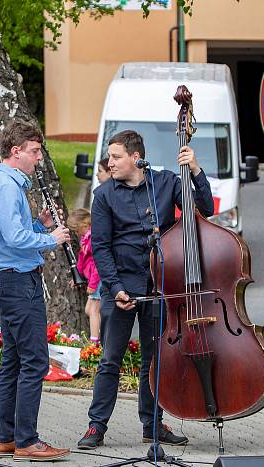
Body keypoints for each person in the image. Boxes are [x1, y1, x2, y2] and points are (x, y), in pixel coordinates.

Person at [77, 130, 214, 450]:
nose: (109, 162)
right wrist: (116, 288)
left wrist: (195, 170)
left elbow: (204, 209)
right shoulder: (105, 194)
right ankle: (96, 425)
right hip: (120, 287)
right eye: (109, 157)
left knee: (155, 360)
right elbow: (101, 247)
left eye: (115, 156)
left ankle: (152, 424)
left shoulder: (166, 183)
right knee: (110, 359)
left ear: (136, 158)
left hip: (159, 286)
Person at [0, 119, 71, 461]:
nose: (39, 159)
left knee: (14, 360)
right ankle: (27, 440)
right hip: (17, 281)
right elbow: (15, 240)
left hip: (13, 278)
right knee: (35, 360)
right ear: (15, 151)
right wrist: (52, 238)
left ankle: (6, 437)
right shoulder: (6, 186)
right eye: (34, 152)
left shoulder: (8, 183)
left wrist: (41, 225)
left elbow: (17, 231)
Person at [68, 208, 101, 343]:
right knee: (89, 310)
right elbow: (82, 259)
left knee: (93, 310)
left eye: (76, 230)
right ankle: (102, 334)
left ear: (85, 225)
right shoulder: (85, 239)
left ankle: (94, 343)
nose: (76, 233)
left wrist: (93, 285)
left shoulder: (93, 239)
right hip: (92, 279)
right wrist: (78, 276)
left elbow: (97, 264)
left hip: (98, 280)